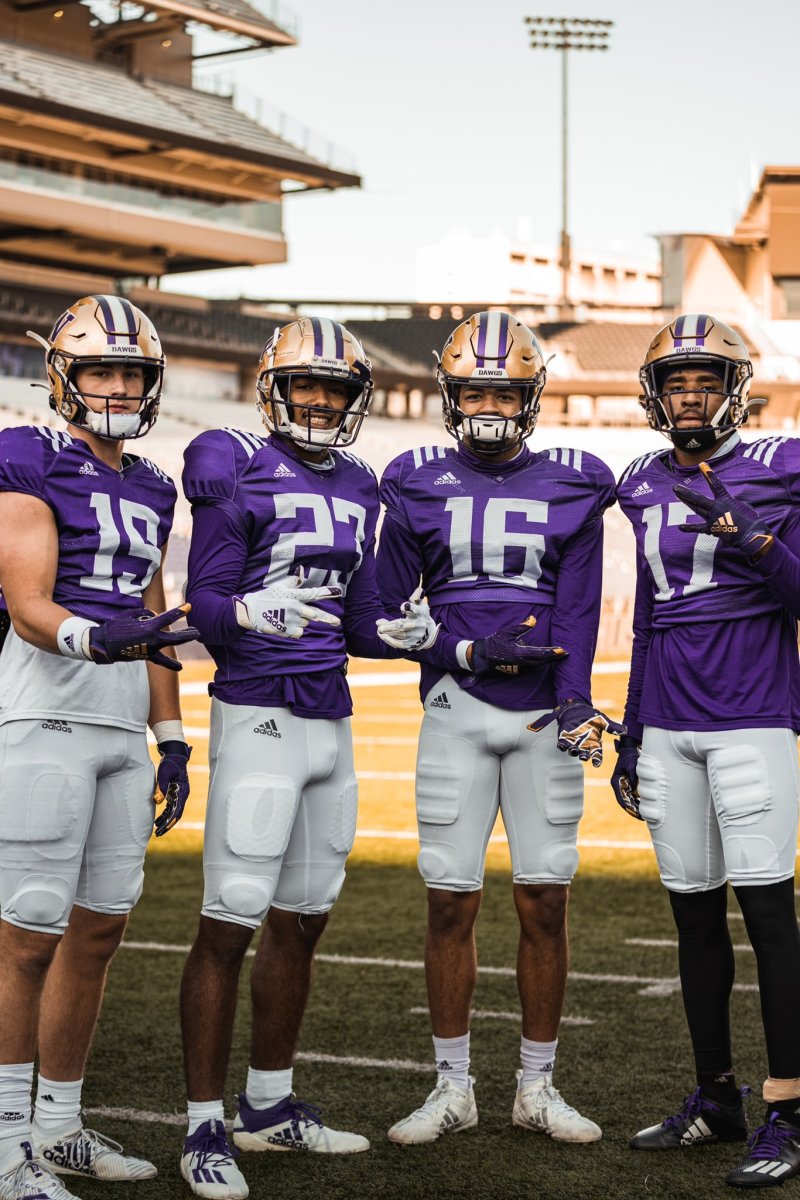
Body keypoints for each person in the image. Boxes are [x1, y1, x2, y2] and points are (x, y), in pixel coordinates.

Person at [178, 316, 494, 1200]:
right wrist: (243, 615)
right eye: (304, 386)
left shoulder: (360, 484)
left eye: (336, 390)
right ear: (272, 390)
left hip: (330, 715)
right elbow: (203, 600)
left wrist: (411, 636)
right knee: (228, 918)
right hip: (258, 713)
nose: (318, 401)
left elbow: (358, 619)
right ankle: (203, 1123)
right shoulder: (231, 459)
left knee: (305, 915)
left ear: (356, 401)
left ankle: (269, 1105)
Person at [375, 310, 621, 1148]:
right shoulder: (411, 478)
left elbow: (581, 607)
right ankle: (453, 1088)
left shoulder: (578, 480)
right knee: (449, 899)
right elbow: (373, 615)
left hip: (546, 712)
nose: (488, 404)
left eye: (503, 390)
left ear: (531, 396)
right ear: (450, 394)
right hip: (454, 707)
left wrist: (580, 697)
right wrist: (465, 648)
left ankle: (536, 1088)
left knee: (545, 900)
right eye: (475, 389)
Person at [0, 294, 198, 1200]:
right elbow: (30, 602)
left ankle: (60, 1127)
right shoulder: (29, 457)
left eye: (133, 373)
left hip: (121, 716)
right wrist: (97, 640)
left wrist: (171, 736)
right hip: (45, 708)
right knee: (27, 936)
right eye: (101, 371)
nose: (118, 386)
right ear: (65, 380)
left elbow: (155, 620)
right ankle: (6, 1146)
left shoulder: (154, 484)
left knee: (100, 928)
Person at [614, 313, 800, 1189]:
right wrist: (633, 724)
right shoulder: (641, 482)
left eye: (706, 382)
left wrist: (751, 535)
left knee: (770, 920)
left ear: (736, 390)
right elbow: (651, 618)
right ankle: (716, 1097)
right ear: (657, 395)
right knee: (693, 916)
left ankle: (789, 1108)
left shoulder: (780, 466)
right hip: (672, 728)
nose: (691, 396)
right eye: (677, 383)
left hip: (755, 717)